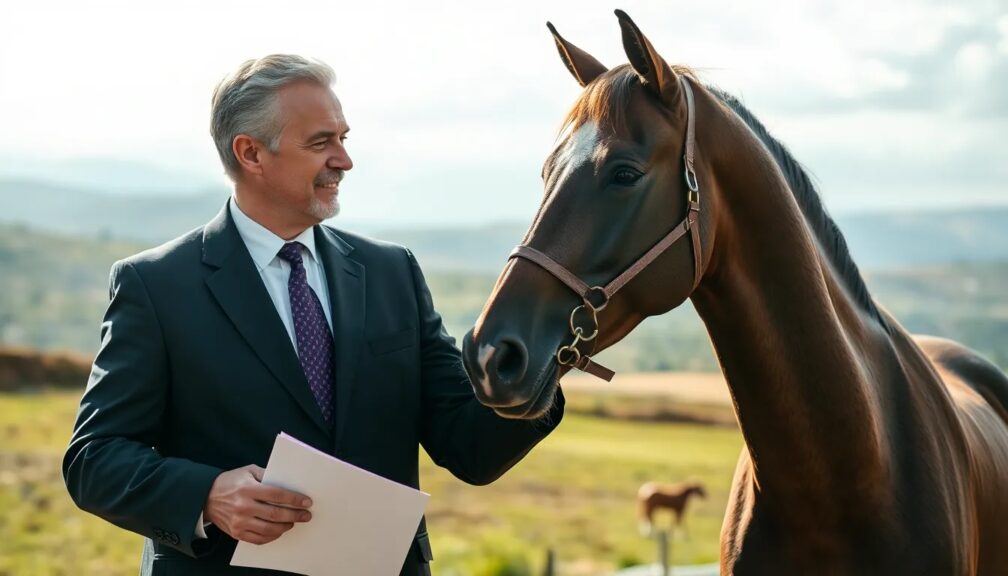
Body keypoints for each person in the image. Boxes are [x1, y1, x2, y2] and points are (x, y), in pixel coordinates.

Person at [62, 54, 564, 576]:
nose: (344, 160)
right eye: (321, 142)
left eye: (343, 138)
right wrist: (207, 495)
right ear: (251, 153)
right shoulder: (156, 286)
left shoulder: (392, 272)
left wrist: (552, 357)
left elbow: (471, 448)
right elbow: (94, 459)